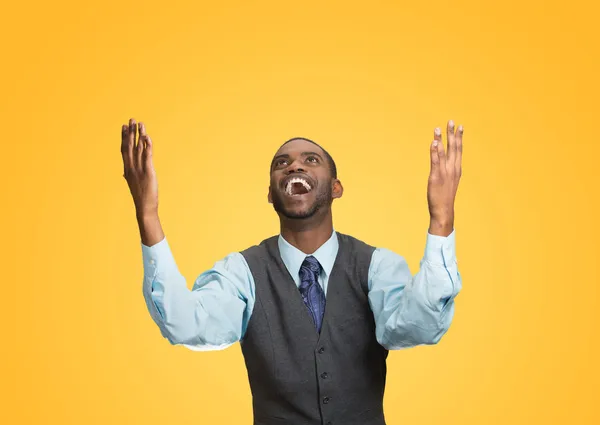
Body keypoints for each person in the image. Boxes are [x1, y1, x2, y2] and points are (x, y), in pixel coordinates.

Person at [121, 118, 463, 425]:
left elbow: (419, 327)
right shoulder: (241, 272)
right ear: (270, 194)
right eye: (281, 163)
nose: (293, 166)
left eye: (310, 160)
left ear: (336, 188)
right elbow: (185, 324)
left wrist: (441, 219)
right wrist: (147, 214)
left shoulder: (377, 266)